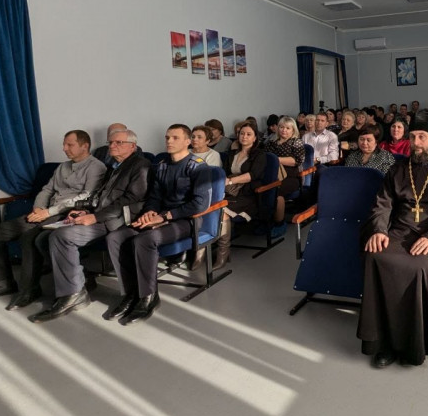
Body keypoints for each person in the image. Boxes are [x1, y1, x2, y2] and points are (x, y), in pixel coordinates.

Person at [357, 109, 428, 367]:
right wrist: (379, 230)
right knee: (375, 256)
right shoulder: (397, 169)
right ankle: (383, 343)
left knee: (417, 267)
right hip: (399, 232)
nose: (416, 143)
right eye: (413, 136)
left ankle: (411, 346)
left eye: (422, 137)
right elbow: (382, 204)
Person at [28, 129, 151, 322]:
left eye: (118, 142)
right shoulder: (114, 166)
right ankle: (79, 283)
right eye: (111, 142)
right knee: (43, 238)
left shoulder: (140, 165)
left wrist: (95, 217)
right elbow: (98, 197)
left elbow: (131, 199)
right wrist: (84, 210)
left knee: (61, 236)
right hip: (100, 216)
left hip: (117, 221)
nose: (112, 146)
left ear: (132, 146)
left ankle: (73, 293)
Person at [105, 124, 212, 325]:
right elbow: (154, 196)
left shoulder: (198, 167)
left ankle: (148, 297)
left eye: (175, 138)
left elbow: (200, 204)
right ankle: (130, 293)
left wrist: (165, 217)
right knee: (115, 237)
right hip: (160, 216)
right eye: (167, 137)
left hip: (186, 220)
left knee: (144, 240)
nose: (169, 141)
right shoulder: (162, 165)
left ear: (187, 141)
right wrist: (150, 212)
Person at [0, 130, 106, 310]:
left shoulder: (96, 167)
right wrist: (39, 207)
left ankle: (28, 291)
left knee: (29, 238)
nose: (64, 148)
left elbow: (86, 197)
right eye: (64, 144)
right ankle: (2, 282)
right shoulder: (62, 167)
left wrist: (48, 212)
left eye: (70, 145)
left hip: (66, 214)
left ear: (85, 146)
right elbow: (47, 190)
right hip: (45, 212)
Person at [213, 122, 267, 270]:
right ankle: (204, 247)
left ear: (255, 138)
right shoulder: (232, 154)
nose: (244, 137)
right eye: (242, 133)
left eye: (249, 134)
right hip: (229, 192)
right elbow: (224, 173)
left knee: (223, 211)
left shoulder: (259, 155)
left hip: (247, 195)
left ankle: (223, 252)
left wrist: (231, 181)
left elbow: (252, 175)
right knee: (211, 207)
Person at [262, 116, 305, 224]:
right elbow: (264, 157)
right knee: (260, 189)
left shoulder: (296, 142)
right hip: (271, 174)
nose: (284, 130)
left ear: (293, 130)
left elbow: (296, 161)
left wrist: (275, 160)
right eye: (281, 127)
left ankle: (279, 223)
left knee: (275, 191)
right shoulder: (271, 142)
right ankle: (265, 221)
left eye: (287, 128)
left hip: (290, 176)